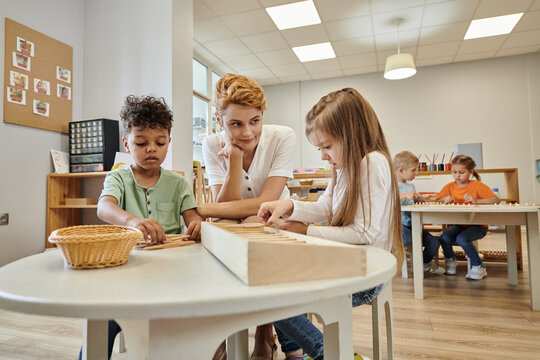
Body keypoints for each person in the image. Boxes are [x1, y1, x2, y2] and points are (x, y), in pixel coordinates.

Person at [257, 88, 403, 360]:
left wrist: (305, 229)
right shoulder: (343, 167)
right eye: (319, 148)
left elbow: (364, 233)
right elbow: (325, 207)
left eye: (327, 146)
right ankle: (298, 354)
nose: (323, 155)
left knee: (273, 296)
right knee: (273, 280)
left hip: (365, 274)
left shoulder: (372, 163)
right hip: (348, 263)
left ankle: (332, 354)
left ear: (352, 134)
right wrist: (288, 205)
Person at [78, 95, 202, 360]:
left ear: (169, 142)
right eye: (141, 143)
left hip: (172, 269)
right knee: (104, 316)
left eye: (160, 143)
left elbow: (192, 217)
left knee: (188, 321)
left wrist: (197, 226)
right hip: (128, 266)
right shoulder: (118, 177)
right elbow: (104, 207)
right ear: (126, 143)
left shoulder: (178, 183)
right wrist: (132, 221)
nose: (151, 150)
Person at [198, 73, 296, 360]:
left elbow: (266, 203)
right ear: (220, 120)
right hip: (233, 217)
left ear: (262, 115)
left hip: (273, 216)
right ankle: (223, 331)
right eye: (235, 124)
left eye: (255, 121)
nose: (247, 133)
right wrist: (235, 160)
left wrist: (206, 209)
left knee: (258, 230)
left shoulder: (282, 137)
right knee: (219, 236)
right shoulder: (212, 144)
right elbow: (226, 204)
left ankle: (265, 335)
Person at [436, 155, 498, 280]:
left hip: (478, 225)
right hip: (459, 224)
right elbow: (438, 199)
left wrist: (477, 201)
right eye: (454, 172)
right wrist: (445, 199)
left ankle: (478, 266)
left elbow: (496, 199)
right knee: (443, 238)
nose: (457, 175)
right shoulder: (449, 187)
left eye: (461, 172)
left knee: (462, 239)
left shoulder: (477, 186)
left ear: (470, 171)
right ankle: (451, 261)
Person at [393, 151, 444, 274]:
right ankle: (390, 252)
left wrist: (420, 199)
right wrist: (404, 195)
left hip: (413, 225)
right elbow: (388, 200)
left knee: (434, 243)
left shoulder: (411, 186)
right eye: (413, 170)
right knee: (410, 238)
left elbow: (413, 200)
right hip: (399, 227)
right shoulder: (392, 185)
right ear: (401, 171)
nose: (416, 173)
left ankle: (423, 263)